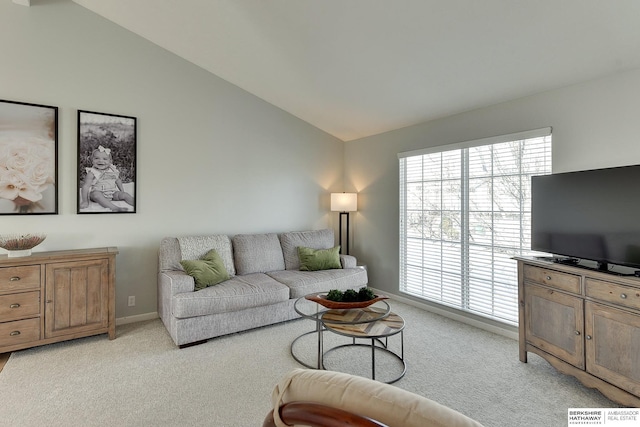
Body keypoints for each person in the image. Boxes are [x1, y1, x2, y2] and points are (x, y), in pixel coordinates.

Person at [80, 145, 133, 212]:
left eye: (105, 159)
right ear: (92, 160)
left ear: (110, 161)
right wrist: (85, 201)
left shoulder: (112, 170)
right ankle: (115, 208)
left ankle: (137, 204)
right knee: (96, 194)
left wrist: (122, 191)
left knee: (125, 195)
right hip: (97, 193)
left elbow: (117, 180)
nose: (100, 161)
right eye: (96, 158)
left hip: (112, 193)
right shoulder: (92, 172)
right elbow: (85, 186)